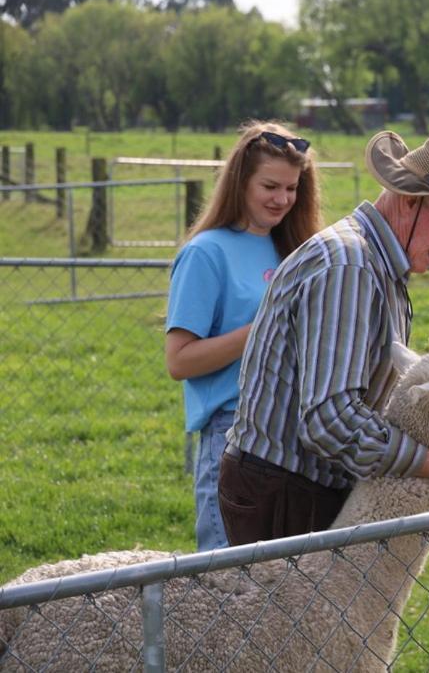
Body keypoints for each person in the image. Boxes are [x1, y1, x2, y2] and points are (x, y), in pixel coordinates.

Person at [217, 131, 429, 545]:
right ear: (411, 200)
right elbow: (330, 421)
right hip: (287, 492)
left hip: (303, 485)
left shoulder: (377, 266)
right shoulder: (349, 267)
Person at [165, 121, 322, 551]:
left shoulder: (294, 249)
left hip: (296, 436)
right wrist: (261, 331)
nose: (282, 199)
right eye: (270, 186)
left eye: (292, 188)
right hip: (233, 435)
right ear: (240, 182)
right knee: (230, 585)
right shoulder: (205, 253)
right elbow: (179, 361)